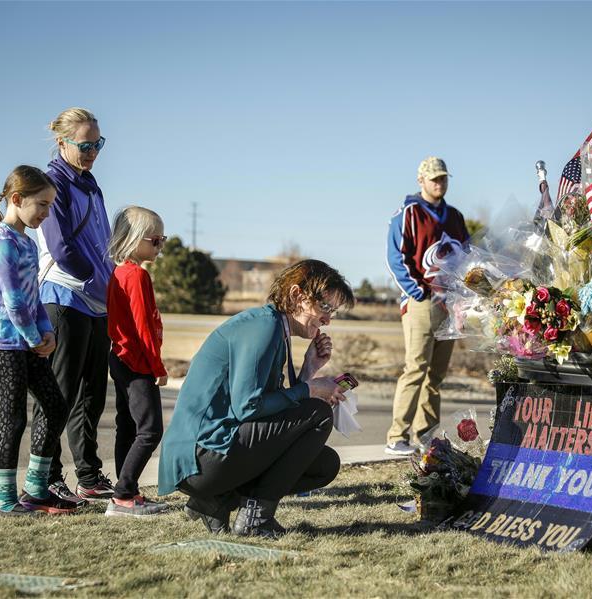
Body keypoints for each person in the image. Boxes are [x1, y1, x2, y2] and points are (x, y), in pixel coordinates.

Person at [158, 259, 355, 537]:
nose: (327, 319)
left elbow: (272, 407)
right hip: (199, 459)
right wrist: (309, 390)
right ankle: (254, 519)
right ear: (296, 295)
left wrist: (309, 371)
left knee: (323, 464)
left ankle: (216, 501)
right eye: (324, 307)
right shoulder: (264, 327)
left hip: (211, 454)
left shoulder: (273, 326)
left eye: (333, 311)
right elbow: (248, 407)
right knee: (318, 414)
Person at [0, 165, 80, 516]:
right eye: (42, 204)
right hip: (3, 342)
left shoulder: (26, 241)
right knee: (14, 418)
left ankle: (36, 490)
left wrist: (46, 333)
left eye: (51, 205)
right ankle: (5, 502)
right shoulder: (1, 241)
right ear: (16, 199)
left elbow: (33, 298)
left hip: (29, 341)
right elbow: (14, 302)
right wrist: (36, 338)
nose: (46, 213)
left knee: (55, 406)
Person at [35, 107, 115, 502]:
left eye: (97, 144)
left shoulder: (90, 182)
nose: (92, 151)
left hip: (98, 303)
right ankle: (45, 476)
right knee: (58, 395)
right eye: (85, 145)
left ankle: (89, 475)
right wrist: (92, 276)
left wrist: (110, 283)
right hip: (65, 298)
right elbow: (60, 246)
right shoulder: (53, 181)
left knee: (91, 397)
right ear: (62, 142)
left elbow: (103, 241)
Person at [385, 156, 470, 456]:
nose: (439, 183)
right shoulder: (408, 213)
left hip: (450, 304)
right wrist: (418, 291)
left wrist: (464, 294)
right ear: (421, 181)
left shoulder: (456, 217)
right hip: (421, 302)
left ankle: (426, 434)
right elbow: (396, 256)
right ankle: (397, 434)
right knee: (416, 367)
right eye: (433, 178)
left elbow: (467, 258)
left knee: (436, 375)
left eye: (443, 178)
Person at [104, 206, 169, 518]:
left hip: (119, 357)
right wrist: (157, 367)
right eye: (155, 240)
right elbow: (143, 327)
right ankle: (122, 495)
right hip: (137, 361)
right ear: (133, 240)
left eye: (162, 240)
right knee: (150, 430)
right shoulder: (137, 275)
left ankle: (127, 491)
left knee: (127, 426)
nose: (160, 247)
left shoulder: (119, 273)